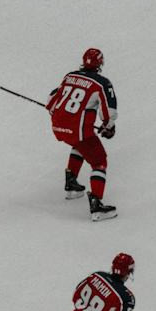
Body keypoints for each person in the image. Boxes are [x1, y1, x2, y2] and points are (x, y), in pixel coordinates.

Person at [49, 48, 120, 221]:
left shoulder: (70, 76)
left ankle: (71, 184)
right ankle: (96, 206)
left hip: (58, 127)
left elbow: (51, 101)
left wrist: (63, 121)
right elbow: (108, 111)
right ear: (101, 63)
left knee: (80, 144)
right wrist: (108, 126)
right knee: (99, 161)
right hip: (78, 131)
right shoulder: (102, 83)